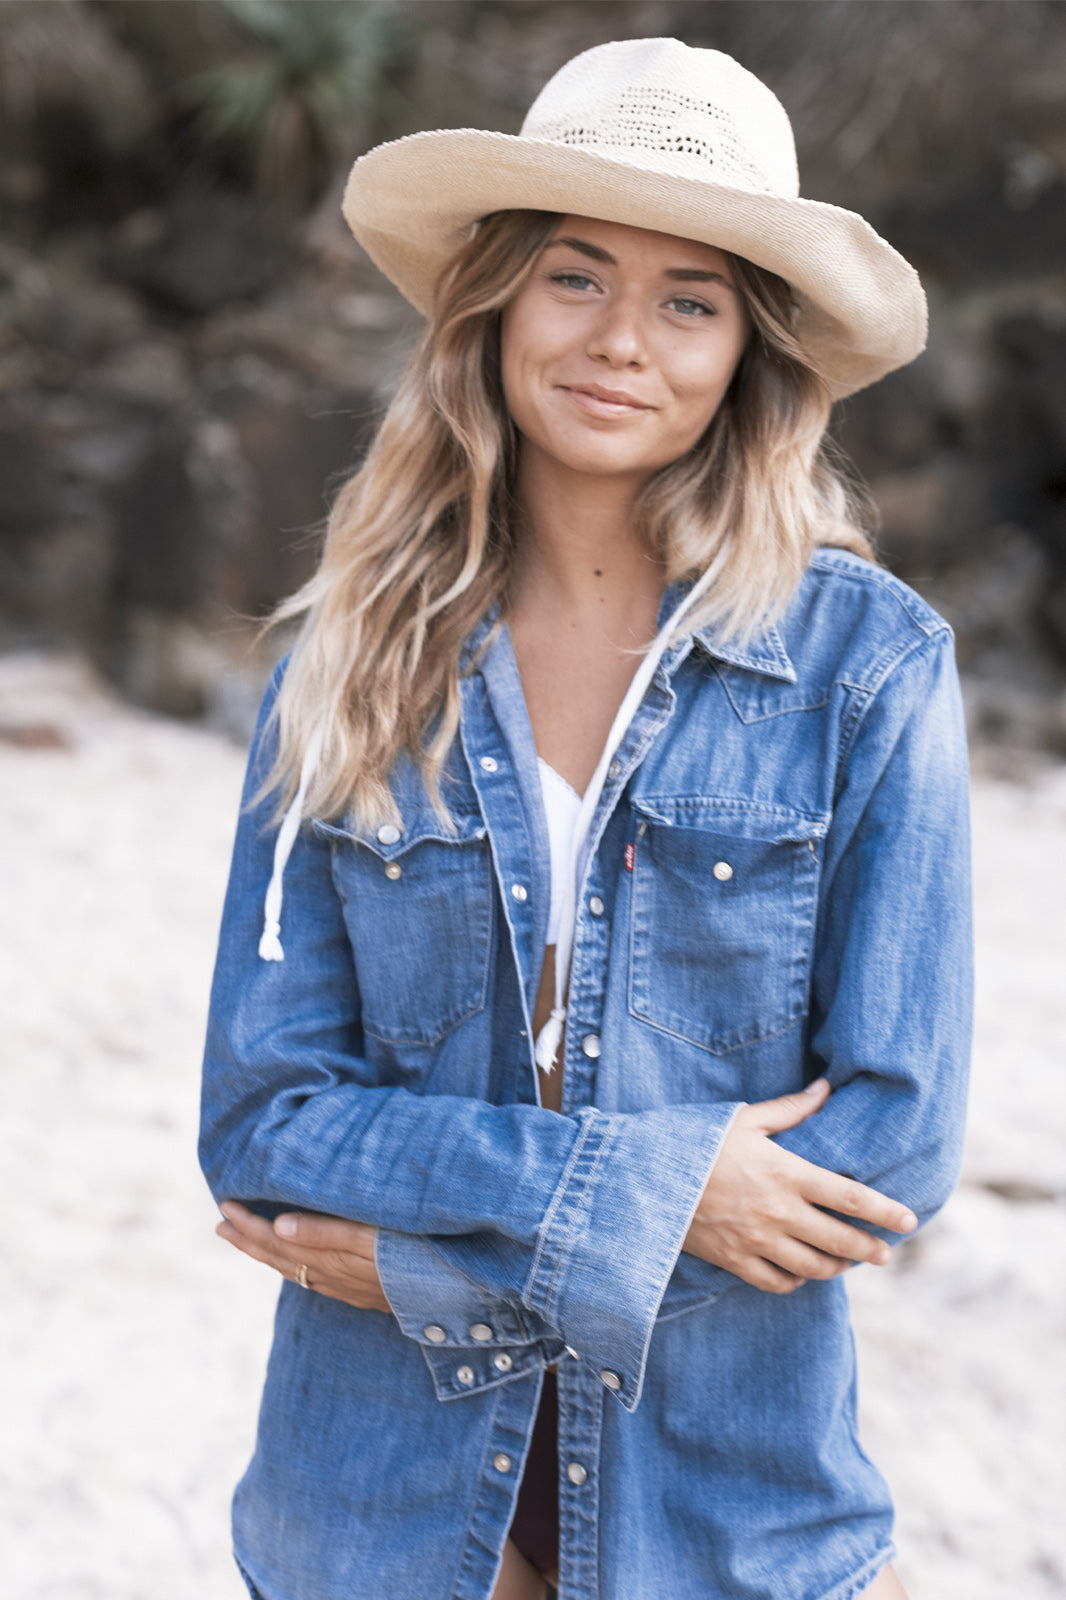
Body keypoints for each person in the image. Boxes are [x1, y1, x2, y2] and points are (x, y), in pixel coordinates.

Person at [200, 38, 971, 1600]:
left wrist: (423, 1271)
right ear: (496, 301)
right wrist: (649, 1191)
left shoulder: (864, 667)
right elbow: (264, 1121)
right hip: (378, 1519)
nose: (621, 340)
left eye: (689, 301)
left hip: (727, 1516)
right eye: (574, 276)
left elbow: (884, 1148)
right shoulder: (342, 670)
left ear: (747, 350)